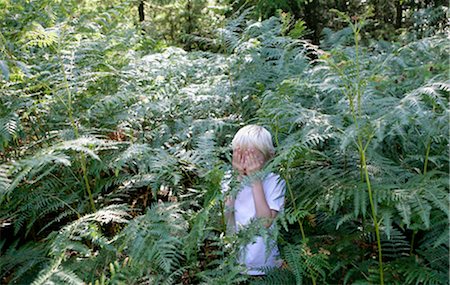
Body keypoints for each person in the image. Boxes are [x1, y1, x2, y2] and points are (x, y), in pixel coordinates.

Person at [224, 125, 286, 276]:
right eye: (242, 157)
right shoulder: (229, 179)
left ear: (269, 156)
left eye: (253, 158)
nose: (247, 165)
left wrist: (255, 180)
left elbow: (265, 222)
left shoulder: (275, 182)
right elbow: (226, 216)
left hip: (267, 264)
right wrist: (237, 179)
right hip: (236, 263)